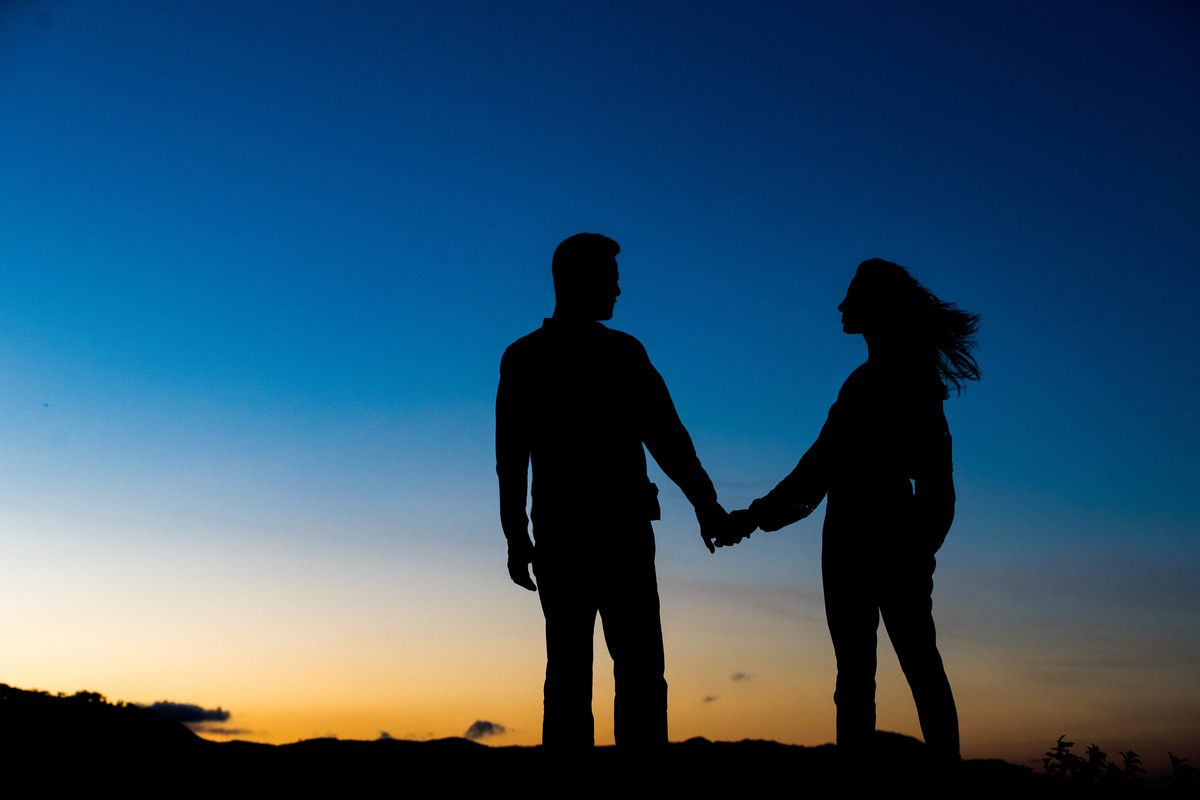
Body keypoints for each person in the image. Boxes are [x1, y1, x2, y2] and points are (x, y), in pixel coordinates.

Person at [722, 258, 980, 764]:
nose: (841, 306)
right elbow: (818, 468)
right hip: (846, 544)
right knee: (862, 677)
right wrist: (753, 518)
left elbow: (935, 480)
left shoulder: (909, 379)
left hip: (888, 542)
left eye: (853, 297)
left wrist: (919, 549)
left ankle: (945, 780)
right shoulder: (859, 383)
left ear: (877, 307)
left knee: (913, 669)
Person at [496, 233, 729, 749]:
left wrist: (705, 503)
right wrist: (516, 536)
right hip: (595, 537)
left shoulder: (564, 355)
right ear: (576, 280)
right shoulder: (554, 357)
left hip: (590, 536)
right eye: (609, 278)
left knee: (606, 676)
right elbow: (512, 458)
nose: (619, 290)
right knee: (598, 677)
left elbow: (668, 437)